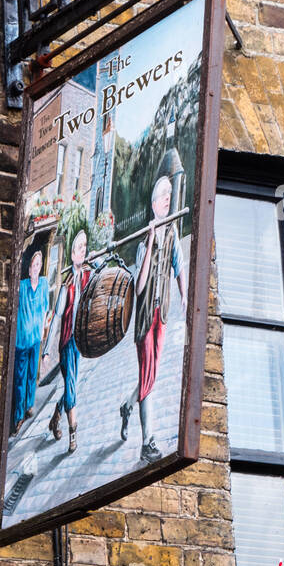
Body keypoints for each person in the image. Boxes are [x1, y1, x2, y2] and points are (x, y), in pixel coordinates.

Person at [119, 150, 188, 463]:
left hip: (163, 314)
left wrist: (185, 294)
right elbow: (142, 283)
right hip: (145, 319)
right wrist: (148, 242)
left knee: (152, 376)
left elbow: (178, 266)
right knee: (148, 374)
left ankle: (127, 405)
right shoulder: (142, 244)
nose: (167, 201)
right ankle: (148, 442)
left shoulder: (173, 232)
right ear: (153, 202)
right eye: (162, 197)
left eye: (170, 196)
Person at [49, 224, 91, 455]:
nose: (82, 251)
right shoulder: (67, 285)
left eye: (85, 247)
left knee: (71, 385)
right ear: (72, 254)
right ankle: (73, 433)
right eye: (79, 248)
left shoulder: (88, 276)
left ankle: (56, 414)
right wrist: (47, 350)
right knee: (72, 385)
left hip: (80, 341)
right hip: (66, 343)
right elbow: (56, 317)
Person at [12, 248, 51, 436]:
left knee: (30, 375)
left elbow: (45, 309)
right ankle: (18, 416)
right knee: (19, 379)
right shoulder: (21, 287)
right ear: (28, 269)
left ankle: (28, 406)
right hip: (21, 340)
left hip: (35, 338)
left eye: (38, 265)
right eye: (33, 265)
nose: (36, 268)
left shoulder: (44, 284)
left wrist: (44, 330)